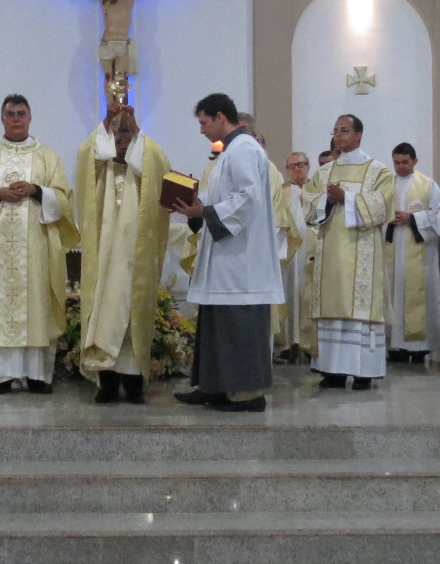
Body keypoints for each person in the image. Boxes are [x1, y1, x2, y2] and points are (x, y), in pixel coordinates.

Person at [0, 95, 78, 393]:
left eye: (21, 113)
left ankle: (37, 375)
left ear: (30, 117)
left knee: (37, 303)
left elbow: (63, 196)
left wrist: (37, 190)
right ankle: (2, 376)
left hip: (36, 244)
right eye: (10, 114)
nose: (15, 119)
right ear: (2, 118)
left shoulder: (47, 157)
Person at [175, 94, 284, 411]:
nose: (201, 130)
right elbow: (222, 198)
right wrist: (195, 207)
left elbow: (248, 198)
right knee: (216, 321)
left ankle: (246, 395)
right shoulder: (229, 152)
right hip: (226, 257)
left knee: (238, 325)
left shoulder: (245, 149)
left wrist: (206, 212)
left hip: (241, 260)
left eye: (203, 122)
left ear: (220, 117)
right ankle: (214, 387)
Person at [75, 102, 172, 404]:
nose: (121, 143)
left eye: (127, 137)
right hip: (104, 256)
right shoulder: (100, 171)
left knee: (130, 313)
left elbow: (159, 165)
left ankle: (133, 383)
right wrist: (107, 120)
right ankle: (106, 382)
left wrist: (135, 127)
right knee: (103, 310)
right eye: (116, 137)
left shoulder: (144, 170)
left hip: (133, 257)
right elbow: (86, 155)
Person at [301, 114, 395, 390]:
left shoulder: (378, 171)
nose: (339, 135)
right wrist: (327, 201)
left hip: (362, 251)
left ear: (358, 134)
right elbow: (308, 200)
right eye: (335, 130)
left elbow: (383, 205)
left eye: (344, 130)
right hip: (330, 251)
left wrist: (347, 199)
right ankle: (332, 370)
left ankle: (364, 372)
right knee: (331, 305)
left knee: (360, 309)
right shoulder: (324, 172)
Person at [39, 0, 184, 82]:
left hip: (122, 43)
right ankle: (110, 101)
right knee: (108, 79)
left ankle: (119, 101)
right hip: (107, 43)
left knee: (119, 80)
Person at [386, 142, 440, 366]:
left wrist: (412, 218)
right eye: (396, 162)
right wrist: (389, 219)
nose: (400, 167)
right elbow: (377, 213)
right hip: (393, 248)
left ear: (415, 161)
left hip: (420, 251)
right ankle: (396, 345)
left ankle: (420, 346)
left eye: (405, 162)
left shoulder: (428, 185)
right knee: (394, 294)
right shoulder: (386, 185)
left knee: (418, 295)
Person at [277, 151, 313, 362]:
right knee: (290, 295)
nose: (296, 169)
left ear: (308, 166)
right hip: (289, 255)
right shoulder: (280, 193)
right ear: (286, 170)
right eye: (291, 166)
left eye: (300, 164)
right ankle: (288, 344)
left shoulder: (317, 190)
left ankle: (310, 345)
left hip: (311, 252)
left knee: (309, 295)